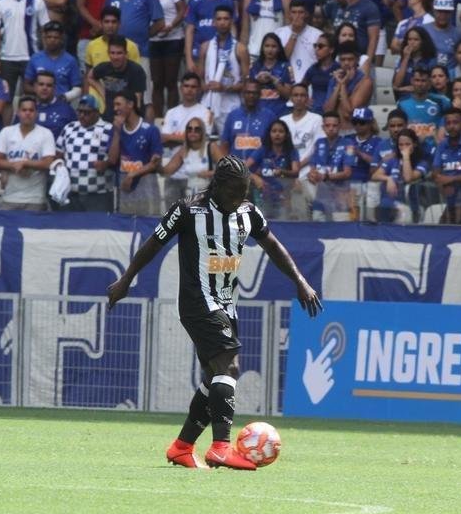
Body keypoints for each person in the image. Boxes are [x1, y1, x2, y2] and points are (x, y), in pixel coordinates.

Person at [106, 154, 322, 470]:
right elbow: (153, 243)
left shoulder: (249, 213)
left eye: (243, 192)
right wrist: (126, 279)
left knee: (213, 377)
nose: (238, 199)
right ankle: (221, 446)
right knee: (229, 366)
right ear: (217, 186)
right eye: (234, 193)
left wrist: (300, 281)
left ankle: (182, 446)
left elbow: (274, 247)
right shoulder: (187, 210)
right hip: (197, 302)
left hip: (224, 303)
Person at [0, 96, 56, 211]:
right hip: (9, 197)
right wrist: (14, 165)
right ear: (17, 112)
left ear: (36, 113)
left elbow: (48, 163)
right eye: (24, 110)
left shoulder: (46, 134)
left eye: (31, 110)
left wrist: (26, 164)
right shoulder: (7, 132)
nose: (27, 113)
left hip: (35, 199)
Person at [53, 95, 116, 212]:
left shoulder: (108, 129)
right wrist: (59, 165)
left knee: (99, 229)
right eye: (80, 111)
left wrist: (105, 164)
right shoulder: (69, 127)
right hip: (70, 194)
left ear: (97, 112)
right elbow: (58, 153)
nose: (82, 115)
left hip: (98, 195)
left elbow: (115, 158)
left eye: (87, 112)